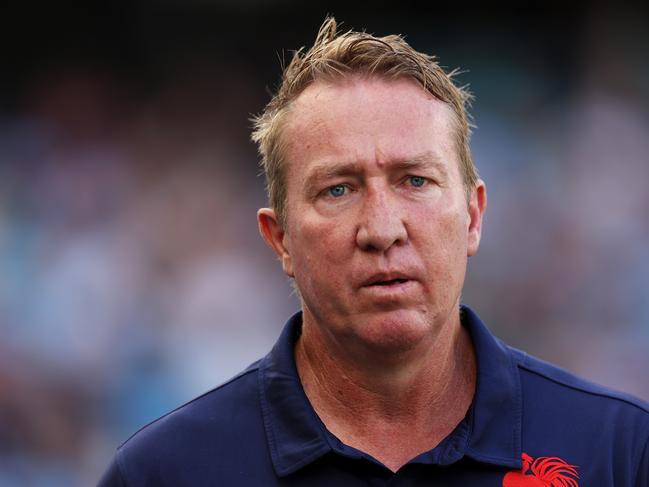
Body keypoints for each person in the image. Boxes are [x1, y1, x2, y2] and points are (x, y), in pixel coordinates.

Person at [98, 17, 649, 486]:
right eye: (338, 189)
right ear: (280, 239)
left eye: (414, 180)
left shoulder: (619, 451)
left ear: (474, 217)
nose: (382, 230)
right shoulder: (166, 472)